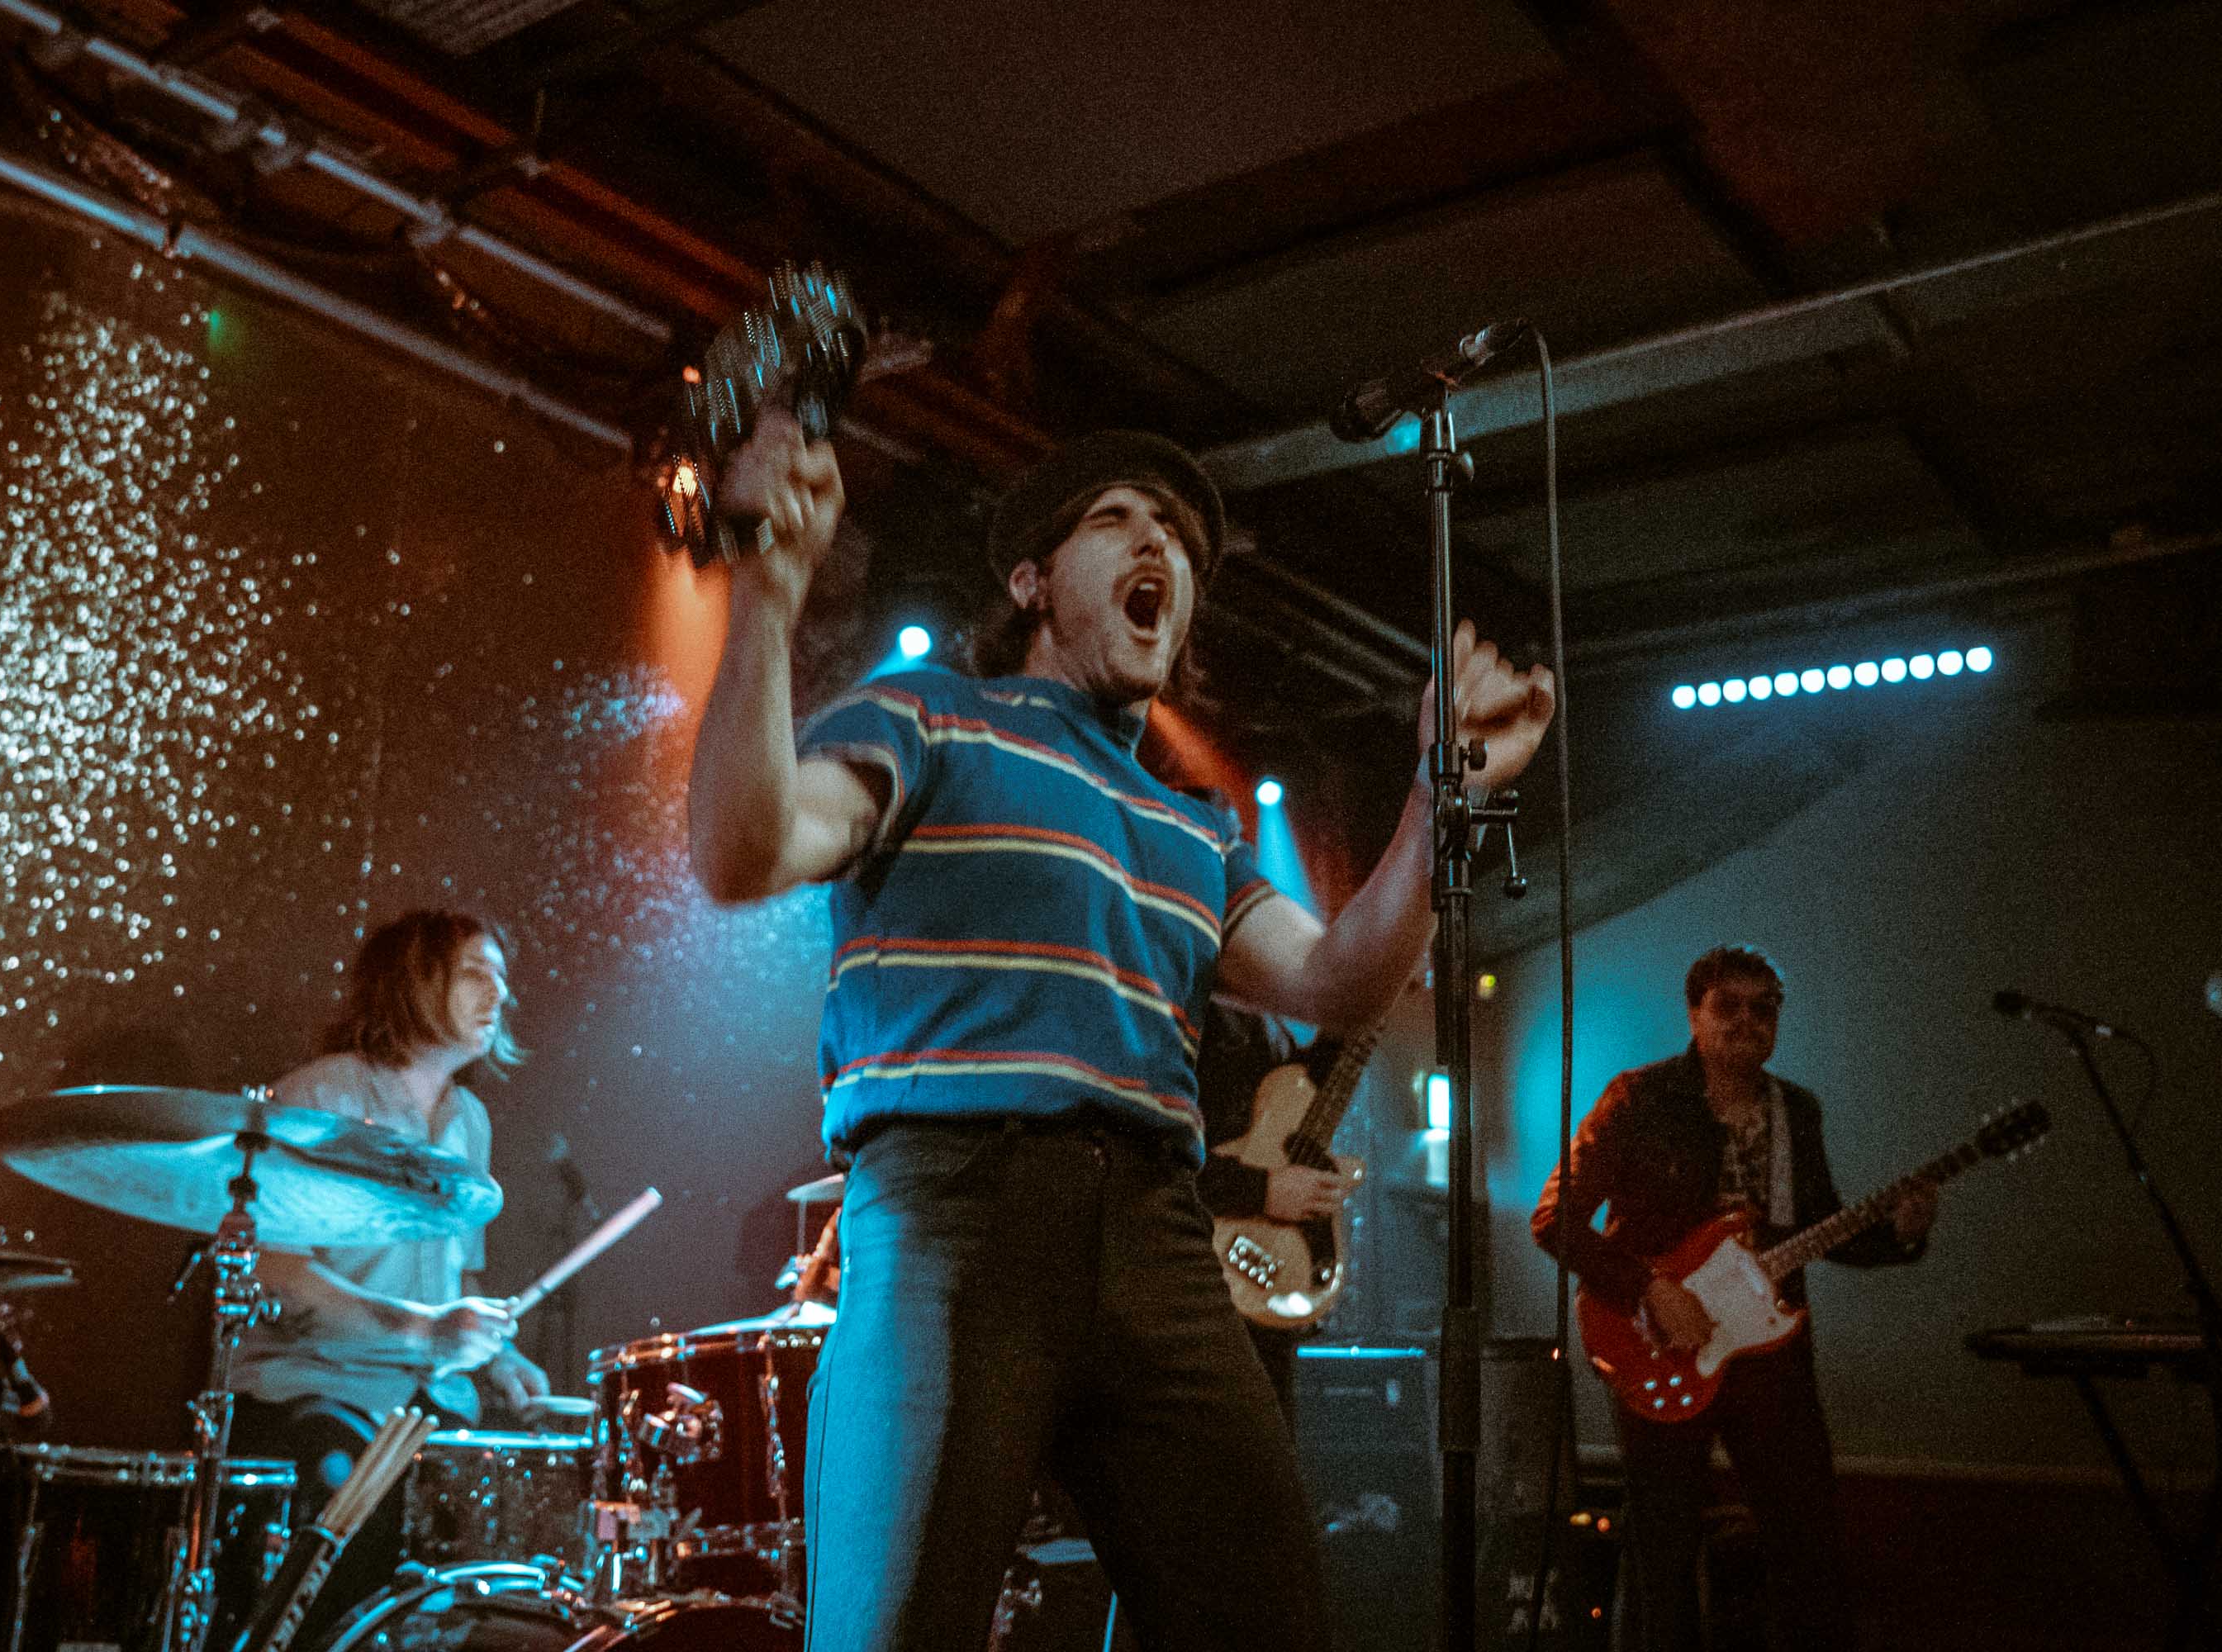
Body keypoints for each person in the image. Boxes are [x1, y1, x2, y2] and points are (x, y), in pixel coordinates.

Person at [686, 415, 1555, 1651]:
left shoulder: (1194, 828)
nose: (1159, 541)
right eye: (1117, 518)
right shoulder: (932, 718)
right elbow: (744, 850)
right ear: (1032, 580)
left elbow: (1342, 979)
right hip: (955, 1224)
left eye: (1180, 540)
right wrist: (769, 594)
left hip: (1162, 1236)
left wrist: (1441, 793)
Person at [1530, 944, 1940, 1652]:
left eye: (1765, 1008)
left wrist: (1900, 1234)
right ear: (1694, 1013)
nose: (1748, 1021)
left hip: (1770, 1358)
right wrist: (1652, 1289)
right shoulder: (1639, 1098)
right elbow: (1554, 1221)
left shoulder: (1797, 1111)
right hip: (1661, 1345)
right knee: (1662, 1552)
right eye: (1729, 1005)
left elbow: (1822, 1230)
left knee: (1809, 1543)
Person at [230, 909, 552, 1637]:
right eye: (476, 972)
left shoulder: (469, 1119)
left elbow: (457, 1279)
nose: (498, 995)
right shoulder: (319, 1100)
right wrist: (420, 1329)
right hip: (317, 1395)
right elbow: (275, 1272)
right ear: (412, 980)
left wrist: (497, 1355)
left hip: (425, 1407)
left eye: (504, 979)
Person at [1192, 993, 1354, 1422]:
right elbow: (1157, 1157)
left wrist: (1376, 997)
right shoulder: (1197, 1012)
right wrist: (1263, 1191)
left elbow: (1313, 1085)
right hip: (1204, 1267)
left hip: (1258, 1284)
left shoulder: (1263, 1019)